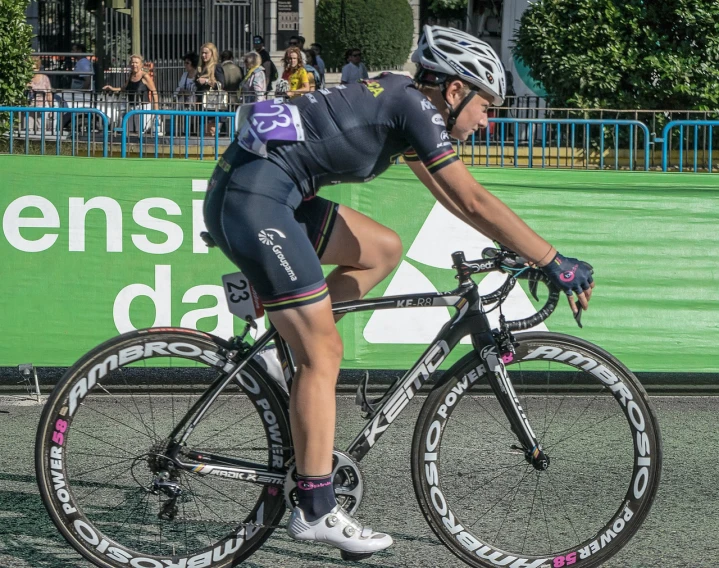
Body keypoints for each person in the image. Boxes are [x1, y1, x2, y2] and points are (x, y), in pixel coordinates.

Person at [203, 24, 594, 559]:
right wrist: (553, 260)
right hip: (255, 202)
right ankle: (315, 508)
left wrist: (525, 252)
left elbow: (457, 202)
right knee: (323, 353)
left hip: (269, 193)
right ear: (454, 92)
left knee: (382, 247)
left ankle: (279, 346)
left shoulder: (406, 106)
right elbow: (474, 200)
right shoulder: (415, 108)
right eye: (487, 105)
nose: (490, 118)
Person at [195, 42, 225, 136]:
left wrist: (207, 81)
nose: (203, 55)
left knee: (211, 132)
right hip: (202, 105)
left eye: (206, 53)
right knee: (204, 133)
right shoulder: (201, 67)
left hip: (212, 105)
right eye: (202, 53)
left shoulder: (217, 67)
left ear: (212, 53)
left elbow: (221, 84)